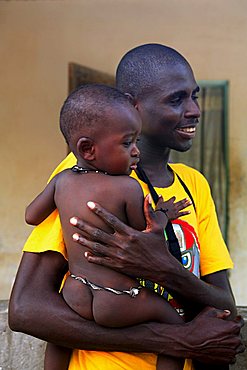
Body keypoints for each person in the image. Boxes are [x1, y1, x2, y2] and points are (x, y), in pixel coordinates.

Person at [8, 44, 245, 370]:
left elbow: (223, 305)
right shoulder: (81, 176)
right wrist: (174, 339)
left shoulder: (195, 185)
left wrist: (163, 268)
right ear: (132, 105)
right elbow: (27, 310)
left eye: (195, 96)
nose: (194, 110)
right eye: (176, 99)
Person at [25, 83, 192, 370]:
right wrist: (163, 216)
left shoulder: (62, 180)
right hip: (115, 297)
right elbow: (143, 240)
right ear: (88, 149)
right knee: (175, 326)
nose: (137, 152)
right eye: (128, 143)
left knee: (60, 339)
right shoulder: (128, 188)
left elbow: (31, 215)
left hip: (75, 292)